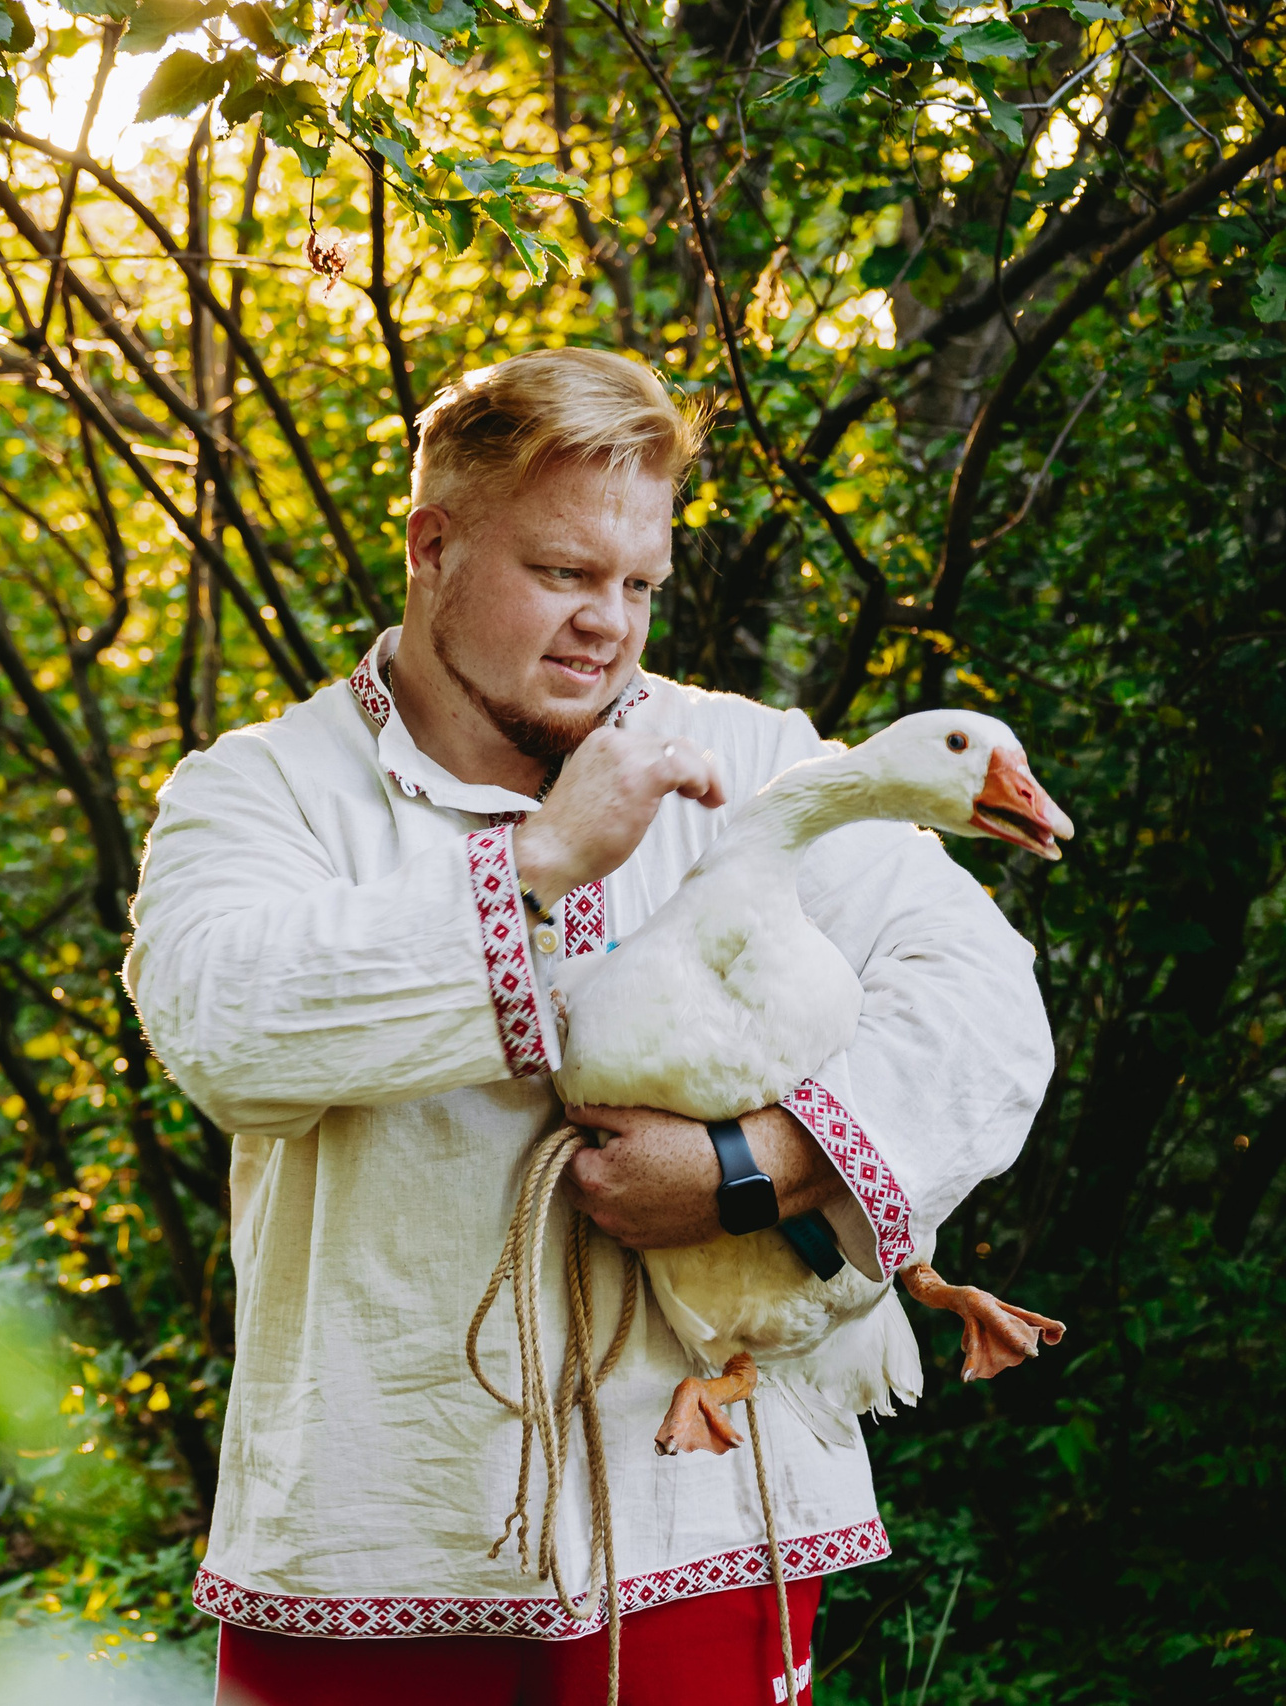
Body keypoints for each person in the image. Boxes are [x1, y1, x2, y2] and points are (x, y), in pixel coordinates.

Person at [122, 348, 1052, 1705]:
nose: (607, 626)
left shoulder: (758, 763)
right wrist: (539, 863)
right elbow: (226, 1033)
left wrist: (757, 1167)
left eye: (638, 585)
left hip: (705, 1524)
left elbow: (984, 1000)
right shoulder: (268, 791)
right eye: (562, 572)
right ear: (431, 546)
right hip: (380, 1533)